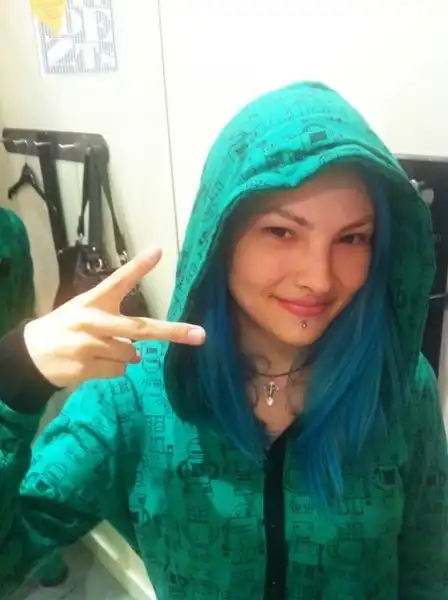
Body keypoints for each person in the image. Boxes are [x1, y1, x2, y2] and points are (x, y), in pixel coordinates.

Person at [0, 81, 447, 599]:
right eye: (281, 232)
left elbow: (427, 571)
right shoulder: (131, 396)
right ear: (220, 235)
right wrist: (14, 379)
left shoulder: (398, 382)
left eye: (351, 238)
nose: (319, 279)